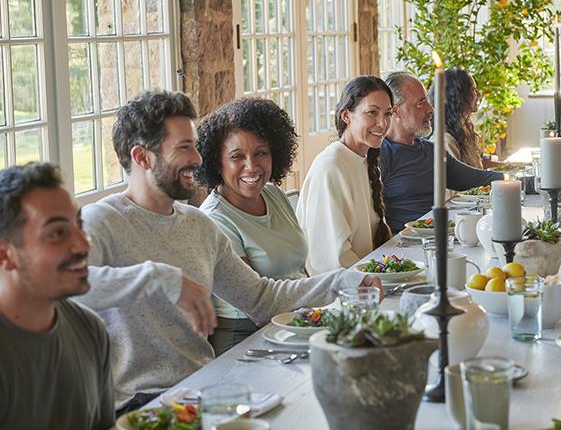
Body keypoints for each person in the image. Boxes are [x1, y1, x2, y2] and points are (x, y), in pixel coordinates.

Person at [74, 89, 381, 412]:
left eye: (194, 145)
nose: (196, 158)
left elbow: (261, 299)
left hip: (202, 389)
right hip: (141, 406)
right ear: (142, 157)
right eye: (183, 148)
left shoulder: (198, 226)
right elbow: (68, 288)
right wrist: (158, 278)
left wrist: (343, 282)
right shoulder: (101, 221)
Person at [0, 163, 114, 429]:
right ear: (5, 254)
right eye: (57, 233)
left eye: (79, 225)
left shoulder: (91, 330)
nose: (83, 244)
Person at [196, 97, 308, 354]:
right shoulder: (215, 218)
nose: (252, 166)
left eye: (261, 153)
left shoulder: (274, 195)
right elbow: (258, 308)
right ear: (217, 162)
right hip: (247, 338)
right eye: (237, 156)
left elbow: (300, 270)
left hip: (295, 321)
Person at [381, 72, 504, 233]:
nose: (431, 110)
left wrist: (531, 181)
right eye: (421, 103)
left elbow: (479, 179)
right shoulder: (381, 155)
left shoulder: (431, 151)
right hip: (404, 248)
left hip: (443, 238)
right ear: (395, 111)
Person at [296, 75, 393, 275]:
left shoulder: (364, 160)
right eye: (372, 112)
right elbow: (332, 261)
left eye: (388, 113)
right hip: (342, 290)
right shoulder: (330, 167)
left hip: (367, 278)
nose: (382, 123)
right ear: (346, 116)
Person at [429, 67, 497, 169]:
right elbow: (459, 181)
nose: (479, 94)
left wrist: (511, 166)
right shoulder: (445, 141)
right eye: (474, 89)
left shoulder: (463, 127)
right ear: (459, 96)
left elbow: (475, 166)